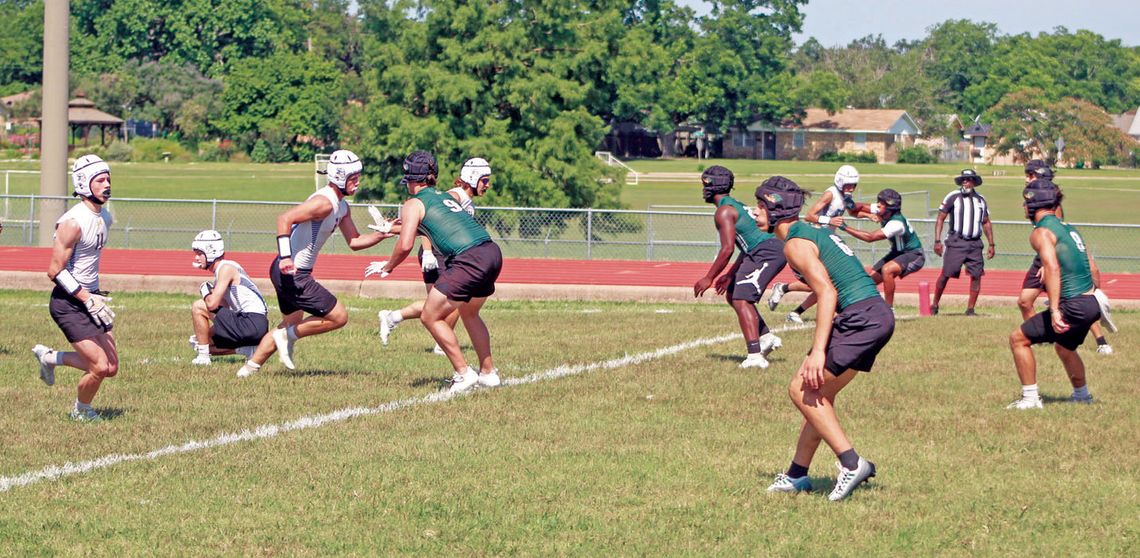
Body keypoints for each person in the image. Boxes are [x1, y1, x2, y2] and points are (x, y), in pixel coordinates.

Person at [755, 176, 891, 501]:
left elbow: (826, 291)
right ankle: (797, 475)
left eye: (760, 206)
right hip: (874, 314)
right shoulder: (810, 233)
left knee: (801, 390)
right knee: (818, 398)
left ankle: (851, 462)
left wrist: (818, 352)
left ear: (776, 210)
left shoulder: (795, 243)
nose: (754, 211)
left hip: (860, 317)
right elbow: (830, 282)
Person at [236, 149, 394, 378]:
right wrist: (286, 257)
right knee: (338, 317)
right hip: (293, 272)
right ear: (339, 176)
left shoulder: (342, 206)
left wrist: (382, 234)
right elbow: (284, 219)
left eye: (358, 175)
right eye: (353, 177)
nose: (358, 181)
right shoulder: (324, 203)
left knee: (290, 323)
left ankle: (248, 369)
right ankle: (284, 339)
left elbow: (355, 241)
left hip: (288, 272)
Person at [365, 151, 503, 393]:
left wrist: (388, 266)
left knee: (430, 316)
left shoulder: (413, 203)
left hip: (468, 258)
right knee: (470, 313)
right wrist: (392, 226)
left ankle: (463, 373)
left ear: (410, 178)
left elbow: (407, 243)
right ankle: (488, 373)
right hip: (491, 252)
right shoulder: (442, 196)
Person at [31, 154, 118, 422]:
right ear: (83, 183)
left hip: (90, 296)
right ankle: (81, 411)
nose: (107, 185)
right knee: (99, 366)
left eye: (108, 179)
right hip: (68, 303)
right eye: (100, 180)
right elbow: (54, 271)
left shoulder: (105, 215)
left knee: (111, 367)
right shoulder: (72, 222)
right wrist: (85, 298)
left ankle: (49, 357)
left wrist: (93, 296)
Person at [1007, 178, 1105, 409]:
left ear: (1033, 205)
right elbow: (1091, 266)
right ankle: (1082, 396)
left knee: (1018, 339)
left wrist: (1055, 310)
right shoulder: (1069, 229)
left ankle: (1030, 399)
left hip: (1074, 305)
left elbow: (1053, 267)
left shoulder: (1041, 232)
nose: (1023, 207)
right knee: (1064, 346)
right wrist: (1095, 297)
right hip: (1092, 302)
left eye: (1025, 202)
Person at [378, 157, 492, 353]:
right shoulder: (453, 196)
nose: (487, 185)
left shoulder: (467, 202)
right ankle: (439, 341)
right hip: (436, 254)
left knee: (446, 303)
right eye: (484, 180)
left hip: (449, 255)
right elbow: (428, 222)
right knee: (448, 303)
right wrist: (428, 251)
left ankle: (394, 317)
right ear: (472, 178)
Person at [691, 165, 786, 368]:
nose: (703, 189)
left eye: (704, 184)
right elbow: (745, 246)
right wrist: (729, 275)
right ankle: (765, 337)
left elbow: (727, 250)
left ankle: (754, 356)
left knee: (742, 299)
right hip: (762, 249)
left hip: (767, 250)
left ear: (712, 186)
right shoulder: (733, 205)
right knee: (733, 292)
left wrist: (709, 277)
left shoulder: (724, 211)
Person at [1016, 161, 1113, 354]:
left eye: (1030, 175)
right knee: (1025, 301)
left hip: (1055, 255)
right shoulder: (1034, 201)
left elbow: (1058, 234)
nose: (1027, 178)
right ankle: (1041, 337)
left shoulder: (1048, 202)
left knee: (1075, 299)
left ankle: (1101, 340)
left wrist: (1050, 262)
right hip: (1044, 254)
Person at [768, 165, 861, 324]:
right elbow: (810, 216)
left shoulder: (845, 196)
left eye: (854, 185)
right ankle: (787, 295)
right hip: (816, 241)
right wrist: (829, 221)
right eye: (848, 184)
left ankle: (793, 307)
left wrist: (873, 213)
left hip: (828, 241)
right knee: (822, 283)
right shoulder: (830, 194)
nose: (851, 188)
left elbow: (854, 210)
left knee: (826, 284)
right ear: (840, 182)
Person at [188, 230, 269, 366]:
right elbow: (225, 307)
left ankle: (203, 358)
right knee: (201, 341)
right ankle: (248, 349)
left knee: (198, 306)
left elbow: (212, 305)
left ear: (211, 252)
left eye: (199, 254)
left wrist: (204, 289)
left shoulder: (226, 268)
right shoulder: (225, 269)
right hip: (254, 324)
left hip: (251, 321)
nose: (196, 258)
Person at [840, 188, 925, 309]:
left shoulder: (896, 224)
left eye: (882, 204)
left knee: (887, 270)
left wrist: (844, 227)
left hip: (914, 255)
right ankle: (865, 307)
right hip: (897, 253)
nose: (878, 205)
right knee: (868, 282)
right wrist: (851, 203)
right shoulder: (884, 210)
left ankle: (889, 309)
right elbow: (854, 210)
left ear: (890, 208)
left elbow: (870, 237)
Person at [931, 169, 995, 315]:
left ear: (974, 182)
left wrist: (991, 244)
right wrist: (937, 240)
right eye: (964, 179)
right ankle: (934, 304)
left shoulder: (980, 200)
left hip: (975, 243)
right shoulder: (953, 196)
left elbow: (986, 222)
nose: (966, 182)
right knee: (946, 273)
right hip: (956, 241)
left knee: (977, 275)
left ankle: (970, 309)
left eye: (969, 179)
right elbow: (940, 218)